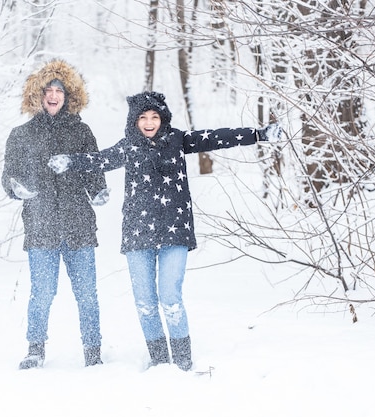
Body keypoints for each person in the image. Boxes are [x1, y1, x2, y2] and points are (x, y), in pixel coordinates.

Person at [48, 91, 281, 371]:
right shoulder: (128, 147)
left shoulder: (177, 140)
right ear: (134, 121)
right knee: (145, 302)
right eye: (143, 117)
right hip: (138, 233)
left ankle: (182, 361)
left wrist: (259, 134)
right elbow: (99, 160)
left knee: (170, 298)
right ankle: (159, 361)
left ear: (163, 118)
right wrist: (70, 161)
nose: (149, 123)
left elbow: (218, 137)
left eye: (154, 117)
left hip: (175, 231)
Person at [2, 59, 110, 370]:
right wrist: (15, 187)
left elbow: (94, 170)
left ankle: (93, 351)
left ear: (68, 96)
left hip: (78, 226)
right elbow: (10, 175)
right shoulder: (21, 134)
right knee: (42, 293)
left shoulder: (82, 131)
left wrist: (99, 190)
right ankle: (35, 349)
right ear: (37, 94)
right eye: (48, 90)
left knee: (87, 294)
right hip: (41, 227)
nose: (53, 95)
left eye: (59, 91)